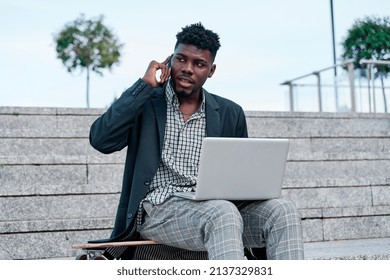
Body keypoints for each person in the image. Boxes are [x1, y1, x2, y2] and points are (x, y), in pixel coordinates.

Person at [89, 22, 304, 260]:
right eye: (181, 59)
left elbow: (239, 180)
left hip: (216, 210)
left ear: (211, 70)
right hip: (159, 210)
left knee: (284, 209)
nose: (188, 68)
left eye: (199, 64)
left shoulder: (229, 112)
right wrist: (143, 87)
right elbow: (101, 140)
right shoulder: (146, 103)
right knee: (221, 212)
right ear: (170, 60)